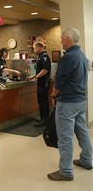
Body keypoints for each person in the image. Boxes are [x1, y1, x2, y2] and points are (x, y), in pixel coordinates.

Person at [47, 28, 92, 181]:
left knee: (65, 137)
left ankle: (65, 171)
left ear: (67, 39)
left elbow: (59, 80)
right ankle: (87, 160)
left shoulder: (68, 57)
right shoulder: (81, 55)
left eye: (62, 38)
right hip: (80, 101)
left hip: (67, 103)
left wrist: (54, 95)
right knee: (83, 131)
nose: (60, 41)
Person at [26, 42, 51, 127]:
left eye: (35, 48)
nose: (34, 50)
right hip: (41, 82)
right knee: (41, 101)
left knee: (43, 101)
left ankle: (45, 119)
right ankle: (43, 118)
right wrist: (33, 77)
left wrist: (36, 77)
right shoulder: (40, 57)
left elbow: (45, 70)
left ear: (39, 47)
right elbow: (40, 70)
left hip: (44, 83)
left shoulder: (44, 57)